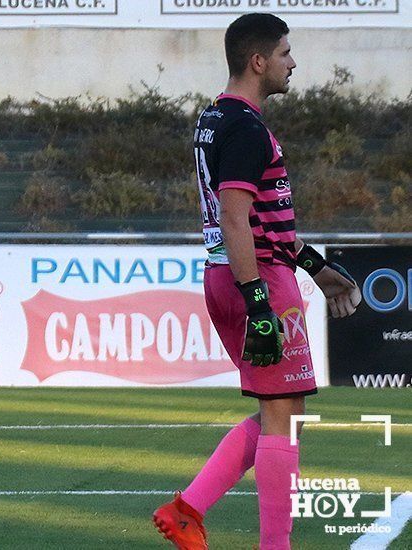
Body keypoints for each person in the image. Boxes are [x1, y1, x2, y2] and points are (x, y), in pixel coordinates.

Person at [152, 14, 361, 550]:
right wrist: (261, 303)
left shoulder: (213, 119)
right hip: (256, 278)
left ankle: (188, 510)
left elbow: (263, 217)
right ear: (258, 61)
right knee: (284, 418)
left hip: (230, 272)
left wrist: (316, 268)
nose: (294, 63)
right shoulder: (246, 127)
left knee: (280, 412)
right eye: (286, 53)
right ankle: (273, 544)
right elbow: (235, 216)